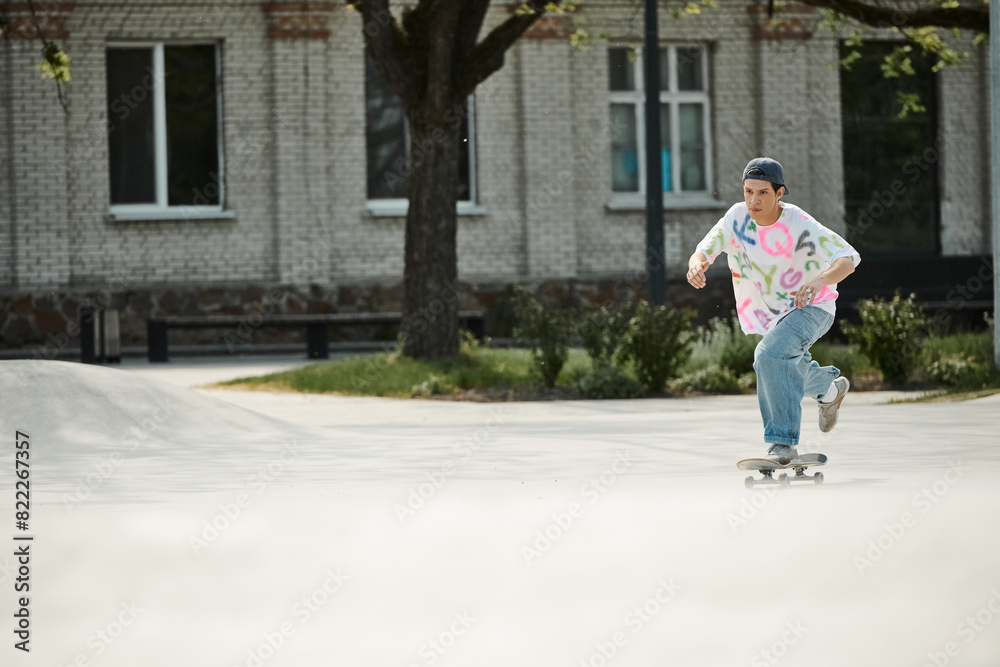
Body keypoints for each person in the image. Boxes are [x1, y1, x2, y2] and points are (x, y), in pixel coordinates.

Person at [686, 157, 861, 461]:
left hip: (813, 306)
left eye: (763, 193)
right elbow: (703, 250)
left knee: (768, 356)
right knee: (782, 365)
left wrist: (820, 280)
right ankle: (830, 391)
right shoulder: (736, 218)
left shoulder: (799, 223)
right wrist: (696, 266)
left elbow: (848, 259)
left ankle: (783, 443)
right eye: (748, 191)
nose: (753, 200)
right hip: (775, 313)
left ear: (779, 193)